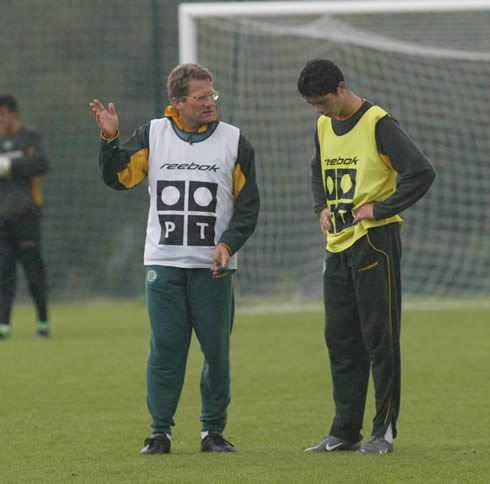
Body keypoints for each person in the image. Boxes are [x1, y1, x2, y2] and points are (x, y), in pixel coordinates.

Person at [89, 63, 260, 455]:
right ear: (177, 103)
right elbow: (118, 178)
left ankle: (212, 432)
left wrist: (228, 245)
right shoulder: (153, 134)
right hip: (164, 266)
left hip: (213, 269)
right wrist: (111, 138)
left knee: (216, 353)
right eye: (200, 97)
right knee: (165, 351)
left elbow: (248, 207)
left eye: (211, 95)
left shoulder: (235, 142)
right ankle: (159, 432)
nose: (209, 103)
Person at [297, 60, 435, 454]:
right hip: (337, 245)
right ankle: (345, 431)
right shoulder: (323, 124)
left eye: (323, 101)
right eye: (313, 105)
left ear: (341, 87)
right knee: (340, 340)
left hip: (375, 242)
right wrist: (320, 206)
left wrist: (383, 207)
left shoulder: (378, 123)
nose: (320, 110)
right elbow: (316, 168)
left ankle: (383, 431)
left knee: (380, 339)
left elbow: (421, 172)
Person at [0, 95, 50, 339]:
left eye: (3, 113)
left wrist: (9, 166)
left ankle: (42, 321)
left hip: (28, 216)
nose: (1, 118)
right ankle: (4, 326)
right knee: (3, 271)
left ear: (13, 113)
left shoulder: (30, 137)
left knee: (33, 272)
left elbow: (41, 163)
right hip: (2, 218)